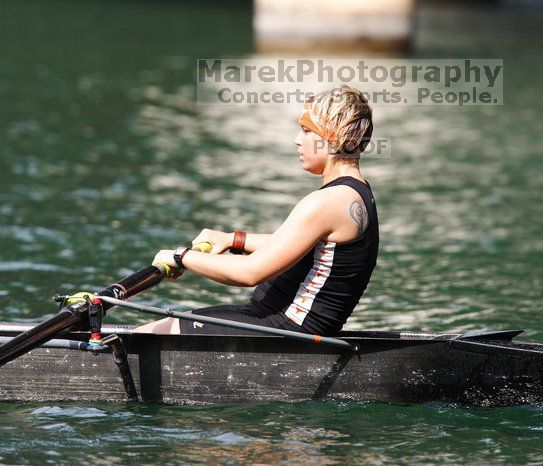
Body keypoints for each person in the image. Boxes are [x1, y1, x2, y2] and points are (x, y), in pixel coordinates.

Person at [134, 86, 378, 336]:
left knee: (149, 335)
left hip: (285, 329)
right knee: (158, 327)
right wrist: (231, 239)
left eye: (306, 131)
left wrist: (180, 257)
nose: (297, 139)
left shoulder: (327, 202)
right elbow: (293, 244)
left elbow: (249, 273)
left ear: (332, 138)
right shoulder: (357, 192)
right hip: (274, 319)